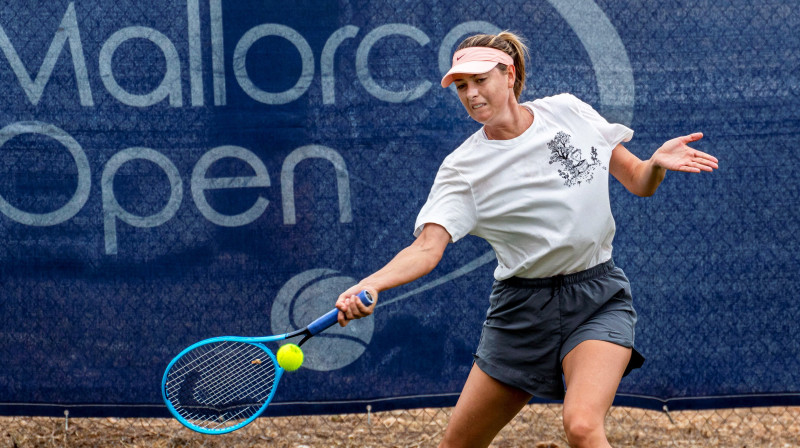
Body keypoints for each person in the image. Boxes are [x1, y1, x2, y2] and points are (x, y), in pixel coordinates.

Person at [335, 31, 718, 448]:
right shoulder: (462, 168)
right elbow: (427, 248)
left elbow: (638, 181)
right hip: (520, 313)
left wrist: (656, 164)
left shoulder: (569, 112)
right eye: (462, 86)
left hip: (597, 297)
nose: (471, 93)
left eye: (480, 80)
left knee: (583, 426)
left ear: (509, 73)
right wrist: (370, 283)